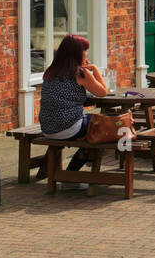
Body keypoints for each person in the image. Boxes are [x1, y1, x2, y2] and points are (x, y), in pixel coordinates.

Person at [39, 34, 109, 191]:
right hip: (67, 127)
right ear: (77, 53)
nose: (86, 54)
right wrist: (95, 70)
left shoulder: (50, 72)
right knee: (104, 128)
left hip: (48, 128)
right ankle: (71, 177)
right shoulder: (79, 73)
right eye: (85, 50)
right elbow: (103, 92)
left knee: (94, 126)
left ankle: (70, 177)